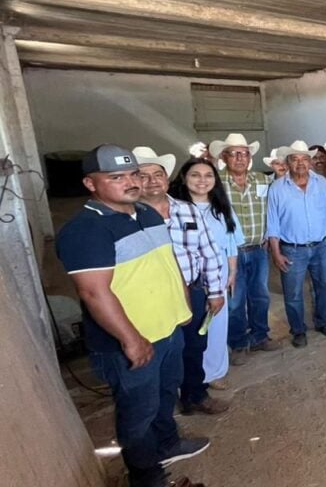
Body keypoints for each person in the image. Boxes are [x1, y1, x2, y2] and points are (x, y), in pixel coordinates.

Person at [56, 145, 207, 487]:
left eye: (133, 174)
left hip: (168, 329)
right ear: (91, 183)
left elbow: (168, 265)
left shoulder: (147, 214)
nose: (130, 182)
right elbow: (94, 292)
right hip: (133, 342)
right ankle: (147, 477)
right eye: (116, 177)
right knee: (138, 413)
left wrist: (182, 307)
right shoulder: (85, 230)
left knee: (166, 394)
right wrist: (132, 340)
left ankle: (168, 444)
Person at [134, 147, 229, 416]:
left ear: (166, 178)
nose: (152, 181)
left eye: (157, 174)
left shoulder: (187, 211)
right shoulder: (129, 217)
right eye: (143, 175)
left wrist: (215, 292)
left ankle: (194, 396)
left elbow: (208, 252)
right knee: (160, 349)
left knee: (194, 345)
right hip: (151, 296)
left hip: (192, 289)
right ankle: (157, 407)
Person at [169, 158, 244, 389]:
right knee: (189, 330)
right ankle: (188, 377)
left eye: (208, 175)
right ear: (184, 177)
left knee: (216, 325)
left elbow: (231, 241)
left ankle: (213, 372)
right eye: (195, 175)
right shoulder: (173, 207)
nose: (202, 180)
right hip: (185, 278)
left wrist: (232, 271)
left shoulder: (220, 206)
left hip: (217, 273)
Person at [212, 134, 283, 362]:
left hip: (258, 249)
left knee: (260, 295)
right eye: (234, 153)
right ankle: (238, 343)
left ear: (249, 157)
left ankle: (260, 336)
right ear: (225, 157)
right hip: (230, 253)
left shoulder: (262, 180)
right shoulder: (215, 184)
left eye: (244, 153)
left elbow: (275, 207)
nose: (240, 158)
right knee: (235, 299)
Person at [266, 140, 326, 348]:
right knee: (293, 293)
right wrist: (276, 252)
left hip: (320, 245)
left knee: (323, 287)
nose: (300, 163)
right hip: (292, 249)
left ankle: (322, 322)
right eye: (295, 159)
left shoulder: (321, 183)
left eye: (304, 158)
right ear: (288, 162)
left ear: (310, 161)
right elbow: (272, 223)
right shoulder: (278, 188)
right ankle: (298, 330)